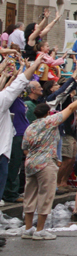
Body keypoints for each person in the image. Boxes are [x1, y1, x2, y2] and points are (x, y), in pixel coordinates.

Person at [21, 93, 77, 241]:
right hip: (46, 163)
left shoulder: (29, 127)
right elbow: (70, 108)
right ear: (47, 113)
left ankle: (27, 228)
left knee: (29, 195)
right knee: (46, 195)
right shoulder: (50, 122)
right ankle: (40, 230)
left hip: (31, 162)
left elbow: (24, 148)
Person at [0, 54, 45, 214]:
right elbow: (17, 85)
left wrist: (8, 73)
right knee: (10, 171)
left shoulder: (7, 100)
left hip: (5, 149)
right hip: (4, 149)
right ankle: (10, 193)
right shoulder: (5, 101)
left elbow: (14, 86)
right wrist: (33, 66)